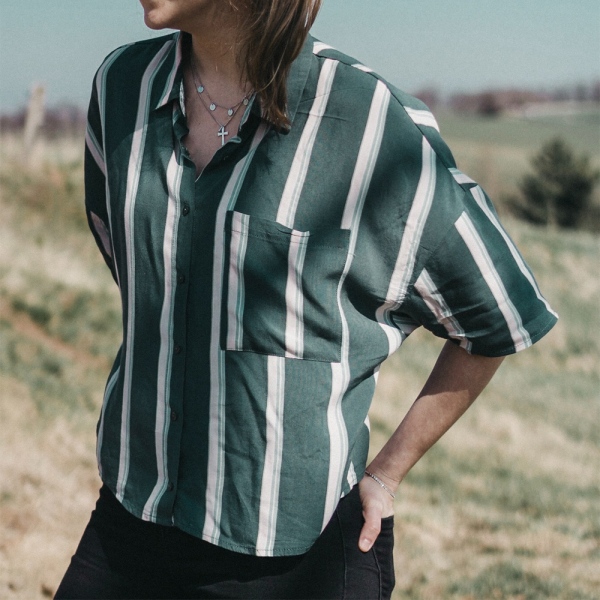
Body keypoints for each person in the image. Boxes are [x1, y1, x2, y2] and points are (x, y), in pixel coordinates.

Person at [55, 1, 558, 598]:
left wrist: (386, 475)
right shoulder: (121, 89)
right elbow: (135, 265)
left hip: (298, 559)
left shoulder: (367, 120)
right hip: (133, 515)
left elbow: (497, 312)